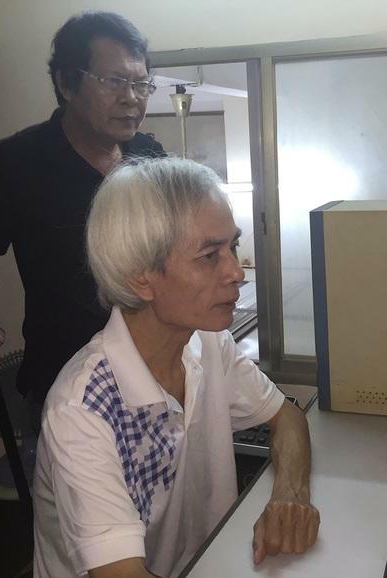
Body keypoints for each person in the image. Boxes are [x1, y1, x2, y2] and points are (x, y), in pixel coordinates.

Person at [32, 157, 320, 578]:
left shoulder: (206, 342)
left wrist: (289, 495)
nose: (236, 272)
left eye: (233, 247)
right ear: (141, 278)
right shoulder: (82, 410)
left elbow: (287, 417)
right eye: (209, 256)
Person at [0, 12, 165, 424]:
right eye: (114, 81)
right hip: (66, 382)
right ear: (66, 83)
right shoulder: (12, 164)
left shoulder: (150, 156)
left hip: (156, 371)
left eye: (141, 83)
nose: (132, 98)